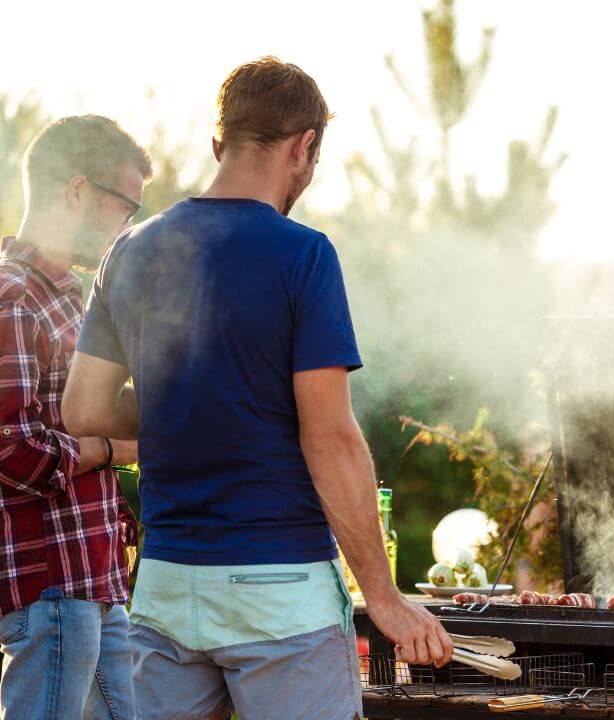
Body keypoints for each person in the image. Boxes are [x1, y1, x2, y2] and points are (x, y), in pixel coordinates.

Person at [62, 57, 452, 720]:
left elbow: (85, 408)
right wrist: (384, 599)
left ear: (221, 144)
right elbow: (328, 436)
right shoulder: (303, 255)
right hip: (280, 587)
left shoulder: (130, 251)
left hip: (166, 585)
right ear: (304, 147)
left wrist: (180, 409)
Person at [0, 115, 148, 720]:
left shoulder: (67, 296)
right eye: (124, 207)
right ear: (79, 191)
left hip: (95, 579)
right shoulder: (13, 297)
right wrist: (114, 449)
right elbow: (11, 451)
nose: (126, 226)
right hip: (52, 589)